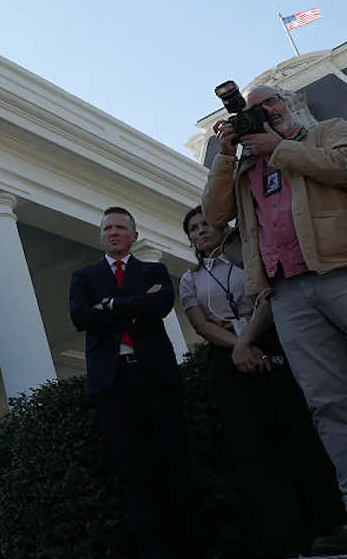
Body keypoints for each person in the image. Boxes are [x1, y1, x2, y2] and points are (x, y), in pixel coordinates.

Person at [204, 84, 347, 554]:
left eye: (269, 103)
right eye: (251, 109)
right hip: (286, 291)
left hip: (340, 268)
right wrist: (228, 157)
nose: (261, 112)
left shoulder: (326, 131)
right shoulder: (245, 165)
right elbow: (214, 215)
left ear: (288, 104)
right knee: (327, 403)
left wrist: (280, 148)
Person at [179, 206, 342, 556]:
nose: (201, 231)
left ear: (221, 227)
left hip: (267, 339)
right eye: (193, 228)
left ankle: (328, 525)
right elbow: (201, 324)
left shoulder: (249, 261)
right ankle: (285, 539)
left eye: (206, 224)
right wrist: (238, 347)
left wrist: (247, 340)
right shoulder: (190, 279)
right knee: (251, 447)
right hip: (227, 356)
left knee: (297, 431)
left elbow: (271, 297)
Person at [68, 206, 206, 559]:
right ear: (101, 235)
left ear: (133, 235)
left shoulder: (153, 269)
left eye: (120, 227)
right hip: (112, 384)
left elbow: (160, 304)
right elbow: (80, 317)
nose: (113, 232)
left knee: (174, 462)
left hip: (154, 377)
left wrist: (109, 305)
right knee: (130, 469)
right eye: (107, 228)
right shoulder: (84, 277)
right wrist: (134, 306)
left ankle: (193, 546)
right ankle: (154, 549)